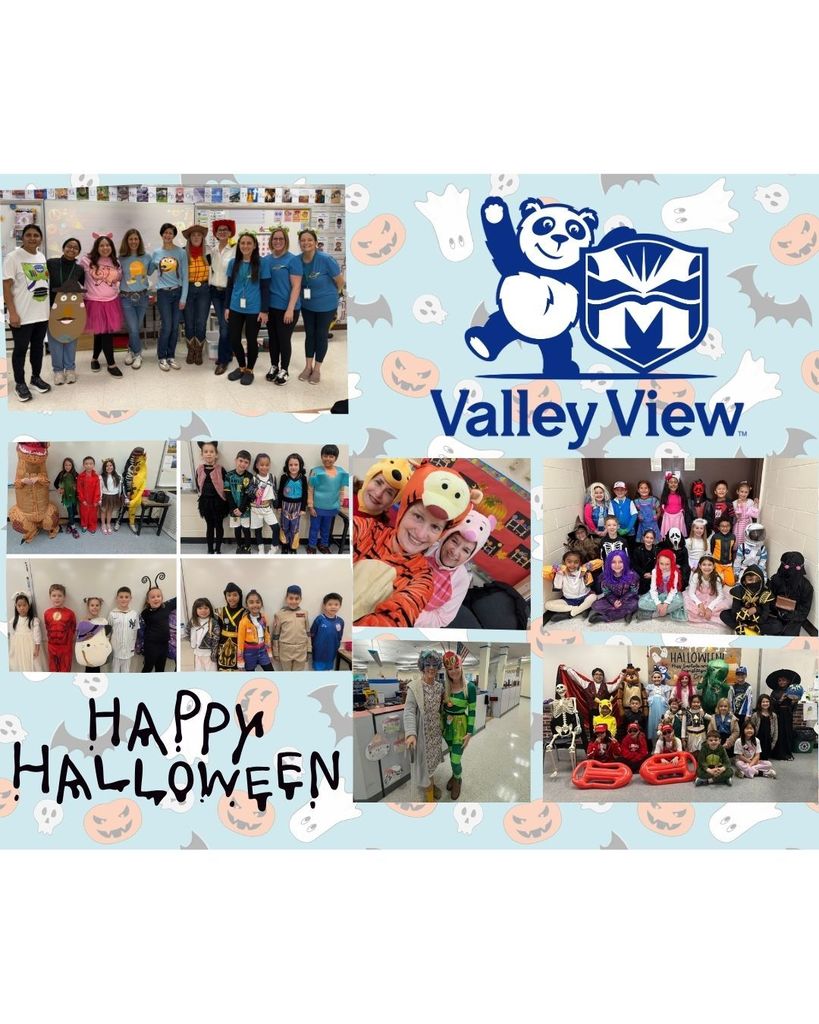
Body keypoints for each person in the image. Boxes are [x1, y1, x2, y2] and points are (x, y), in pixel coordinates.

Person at [352, 464, 471, 628]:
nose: (421, 534)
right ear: (403, 511)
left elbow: (395, 620)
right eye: (418, 516)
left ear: (441, 534)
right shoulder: (367, 530)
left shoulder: (422, 580)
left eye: (435, 527)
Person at [418, 509, 497, 627]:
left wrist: (408, 612)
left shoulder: (462, 579)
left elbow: (442, 619)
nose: (455, 552)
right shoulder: (424, 547)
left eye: (465, 550)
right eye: (454, 541)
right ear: (446, 538)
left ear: (471, 555)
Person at [3, 223, 53, 402]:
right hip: (21, 316)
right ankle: (19, 383)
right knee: (20, 350)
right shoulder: (13, 257)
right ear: (22, 237)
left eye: (36, 235)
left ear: (41, 238)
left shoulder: (41, 256)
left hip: (41, 314)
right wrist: (12, 313)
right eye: (29, 235)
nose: (33, 238)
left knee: (38, 348)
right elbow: (6, 287)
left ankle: (35, 378)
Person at [297, 228, 343, 385]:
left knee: (321, 335)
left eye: (310, 240)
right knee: (310, 335)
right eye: (303, 240)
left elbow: (340, 281)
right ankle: (308, 366)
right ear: (299, 243)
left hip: (326, 305)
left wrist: (331, 295)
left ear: (316, 243)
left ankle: (317, 369)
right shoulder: (297, 260)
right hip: (307, 305)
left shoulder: (326, 259)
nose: (306, 243)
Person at [225, 231, 270, 385]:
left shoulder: (262, 263)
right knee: (234, 338)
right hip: (235, 307)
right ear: (239, 245)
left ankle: (250, 369)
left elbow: (265, 288)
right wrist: (226, 307)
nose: (245, 246)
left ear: (255, 245)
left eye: (249, 243)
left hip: (254, 309)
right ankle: (241, 367)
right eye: (242, 243)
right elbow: (230, 287)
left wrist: (264, 310)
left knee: (251, 340)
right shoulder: (233, 263)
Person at [79, 234, 124, 376]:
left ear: (112, 247)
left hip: (111, 302)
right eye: (102, 245)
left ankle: (94, 359)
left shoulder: (116, 262)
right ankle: (111, 364)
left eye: (108, 245)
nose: (105, 248)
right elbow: (76, 276)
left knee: (101, 333)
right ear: (97, 247)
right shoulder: (86, 261)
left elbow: (118, 279)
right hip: (95, 302)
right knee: (105, 334)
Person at [404, 649, 445, 802]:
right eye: (427, 664)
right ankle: (429, 795)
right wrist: (410, 733)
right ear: (422, 666)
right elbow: (408, 711)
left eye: (435, 664)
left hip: (435, 733)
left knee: (432, 763)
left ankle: (431, 784)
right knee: (425, 764)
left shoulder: (440, 687)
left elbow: (442, 706)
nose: (431, 668)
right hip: (422, 734)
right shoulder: (414, 687)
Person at [264, 227, 302, 384]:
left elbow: (297, 286)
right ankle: (274, 366)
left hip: (288, 309)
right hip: (271, 308)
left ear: (286, 241)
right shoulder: (266, 260)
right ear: (271, 241)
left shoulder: (292, 260)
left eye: (281, 239)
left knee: (284, 339)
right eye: (275, 239)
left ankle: (284, 369)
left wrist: (290, 309)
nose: (277, 241)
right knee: (273, 339)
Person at [46, 237, 85, 384]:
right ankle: (57, 371)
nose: (72, 249)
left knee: (70, 339)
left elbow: (86, 285)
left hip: (72, 309)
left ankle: (70, 369)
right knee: (55, 340)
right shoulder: (51, 263)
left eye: (75, 248)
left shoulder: (79, 269)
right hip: (53, 307)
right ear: (63, 248)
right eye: (69, 246)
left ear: (78, 252)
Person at [118, 228, 156, 370]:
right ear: (126, 241)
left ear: (139, 241)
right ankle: (138, 354)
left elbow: (151, 272)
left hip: (143, 297)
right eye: (130, 239)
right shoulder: (121, 258)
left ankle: (130, 349)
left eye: (136, 239)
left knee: (136, 327)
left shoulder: (147, 257)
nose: (133, 241)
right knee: (133, 328)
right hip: (126, 298)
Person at [152, 222, 188, 371]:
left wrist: (183, 298)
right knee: (167, 326)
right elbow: (149, 271)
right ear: (162, 234)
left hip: (177, 292)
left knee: (174, 327)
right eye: (165, 232)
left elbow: (185, 276)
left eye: (171, 233)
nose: (168, 235)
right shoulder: (156, 253)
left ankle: (171, 356)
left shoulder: (181, 252)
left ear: (174, 235)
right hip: (163, 294)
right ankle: (162, 357)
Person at [440, 651, 477, 800]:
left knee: (455, 759)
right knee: (452, 754)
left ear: (461, 667)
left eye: (456, 667)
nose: (453, 671)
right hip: (447, 727)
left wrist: (469, 732)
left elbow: (473, 711)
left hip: (461, 728)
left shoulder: (470, 687)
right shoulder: (445, 687)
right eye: (449, 669)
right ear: (446, 671)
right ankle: (455, 775)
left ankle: (458, 779)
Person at [306, 444, 349, 554]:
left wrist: (340, 503)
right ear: (321, 456)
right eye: (325, 456)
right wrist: (310, 506)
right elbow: (310, 490)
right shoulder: (316, 472)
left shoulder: (341, 472)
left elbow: (341, 490)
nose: (328, 459)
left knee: (326, 529)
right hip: (317, 507)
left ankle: (324, 545)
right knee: (314, 528)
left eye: (331, 456)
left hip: (331, 507)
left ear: (335, 458)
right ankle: (311, 546)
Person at [209, 219, 236, 375]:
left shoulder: (235, 249)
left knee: (225, 326)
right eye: (219, 230)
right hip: (215, 291)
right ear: (216, 233)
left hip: (229, 292)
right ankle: (227, 353)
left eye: (226, 229)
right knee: (224, 324)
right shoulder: (212, 251)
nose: (222, 232)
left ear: (230, 231)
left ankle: (223, 360)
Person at [181, 224, 210, 366]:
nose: (196, 237)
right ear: (189, 238)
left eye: (199, 235)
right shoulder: (183, 253)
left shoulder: (208, 253)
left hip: (204, 289)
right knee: (189, 322)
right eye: (193, 235)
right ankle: (190, 350)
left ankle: (198, 351)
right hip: (188, 289)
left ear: (203, 237)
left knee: (200, 322)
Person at [766, 551, 814, 636]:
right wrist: (778, 610)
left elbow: (803, 611)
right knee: (771, 628)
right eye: (787, 567)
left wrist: (789, 615)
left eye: (796, 567)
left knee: (788, 637)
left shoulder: (806, 586)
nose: (791, 571)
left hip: (793, 618)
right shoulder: (776, 579)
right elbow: (768, 598)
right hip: (775, 613)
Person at [720, 564, 775, 635]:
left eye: (757, 579)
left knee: (777, 625)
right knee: (723, 614)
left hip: (757, 622)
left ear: (761, 580)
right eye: (750, 580)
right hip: (744, 619)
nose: (754, 582)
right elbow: (734, 614)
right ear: (744, 581)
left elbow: (764, 617)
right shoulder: (739, 591)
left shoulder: (765, 593)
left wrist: (755, 609)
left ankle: (750, 629)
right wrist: (751, 611)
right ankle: (743, 629)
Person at [544, 550, 597, 622]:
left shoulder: (582, 570)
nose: (572, 564)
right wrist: (562, 568)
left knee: (594, 597)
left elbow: (599, 562)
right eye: (569, 562)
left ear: (580, 563)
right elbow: (542, 570)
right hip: (569, 600)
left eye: (576, 562)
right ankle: (581, 609)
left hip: (585, 596)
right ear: (564, 562)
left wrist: (584, 569)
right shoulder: (560, 572)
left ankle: (571, 614)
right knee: (548, 605)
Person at [588, 550, 639, 624]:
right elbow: (607, 593)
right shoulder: (604, 577)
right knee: (595, 605)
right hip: (611, 599)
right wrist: (614, 601)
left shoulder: (633, 576)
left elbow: (634, 591)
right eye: (613, 562)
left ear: (625, 563)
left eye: (620, 562)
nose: (617, 565)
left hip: (627, 599)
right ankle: (626, 613)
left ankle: (606, 617)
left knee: (635, 604)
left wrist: (621, 601)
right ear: (609, 564)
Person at [196, 441, 229, 555]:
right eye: (206, 452)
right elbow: (198, 484)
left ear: (216, 454)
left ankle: (218, 549)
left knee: (219, 525)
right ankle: (210, 549)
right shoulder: (199, 469)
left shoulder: (221, 469)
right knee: (209, 526)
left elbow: (226, 486)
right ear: (202, 454)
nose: (209, 454)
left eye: (211, 452)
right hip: (205, 502)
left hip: (218, 502)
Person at [637, 549, 686, 621]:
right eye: (661, 563)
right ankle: (666, 611)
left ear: (672, 563)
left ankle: (657, 612)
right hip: (658, 594)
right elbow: (653, 590)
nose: (664, 567)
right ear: (658, 563)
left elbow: (673, 590)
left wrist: (666, 604)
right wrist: (658, 604)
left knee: (680, 601)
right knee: (641, 602)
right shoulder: (655, 571)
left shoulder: (674, 572)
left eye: (667, 564)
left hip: (670, 594)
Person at [683, 555, 731, 626]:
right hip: (699, 596)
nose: (707, 567)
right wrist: (699, 603)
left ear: (714, 566)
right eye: (704, 565)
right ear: (699, 566)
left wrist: (710, 607)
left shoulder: (716, 578)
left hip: (711, 596)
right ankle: (700, 613)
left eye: (709, 565)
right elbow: (691, 593)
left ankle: (707, 613)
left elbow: (720, 595)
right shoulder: (696, 576)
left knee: (721, 609)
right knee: (687, 605)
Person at [272, 584, 311, 671]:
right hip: (285, 651)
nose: (294, 601)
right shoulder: (279, 615)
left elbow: (308, 632)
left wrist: (309, 650)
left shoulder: (304, 613)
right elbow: (276, 635)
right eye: (291, 598)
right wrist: (276, 652)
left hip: (301, 650)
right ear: (286, 598)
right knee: (287, 675)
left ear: (301, 599)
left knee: (297, 676)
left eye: (297, 598)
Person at [139, 586, 176, 672]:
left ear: (162, 598)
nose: (156, 599)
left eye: (158, 596)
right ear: (148, 600)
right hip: (151, 645)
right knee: (148, 667)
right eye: (153, 597)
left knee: (160, 669)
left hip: (164, 644)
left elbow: (177, 599)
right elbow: (141, 629)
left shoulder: (166, 607)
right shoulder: (145, 613)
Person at [768, 669, 802, 761]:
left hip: (787, 716)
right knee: (777, 734)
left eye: (784, 680)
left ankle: (786, 753)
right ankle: (776, 753)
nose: (781, 682)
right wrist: (780, 700)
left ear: (788, 681)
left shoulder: (792, 691)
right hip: (777, 715)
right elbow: (771, 704)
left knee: (787, 734)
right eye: (779, 680)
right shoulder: (774, 692)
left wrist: (794, 702)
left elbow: (793, 706)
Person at [277, 452, 308, 553]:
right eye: (291, 465)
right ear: (287, 466)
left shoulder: (303, 478)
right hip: (285, 505)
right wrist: (279, 506)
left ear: (300, 465)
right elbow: (280, 492)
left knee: (294, 527)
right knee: (284, 525)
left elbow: (305, 494)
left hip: (298, 506)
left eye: (296, 465)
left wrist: (303, 508)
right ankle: (284, 544)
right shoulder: (284, 477)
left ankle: (293, 546)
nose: (293, 467)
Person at [237, 590, 274, 671]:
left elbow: (267, 636)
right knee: (250, 677)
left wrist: (269, 652)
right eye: (251, 602)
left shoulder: (264, 618)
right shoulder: (243, 622)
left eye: (257, 602)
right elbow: (240, 642)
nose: (255, 605)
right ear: (247, 605)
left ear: (261, 604)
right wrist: (240, 660)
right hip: (249, 653)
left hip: (263, 651)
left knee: (271, 673)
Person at [226, 449, 254, 554]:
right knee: (237, 528)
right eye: (241, 460)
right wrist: (234, 508)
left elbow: (249, 495)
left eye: (246, 462)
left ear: (249, 464)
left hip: (245, 509)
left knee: (246, 528)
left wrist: (242, 509)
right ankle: (239, 545)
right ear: (236, 460)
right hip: (233, 509)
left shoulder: (250, 477)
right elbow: (227, 493)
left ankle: (248, 546)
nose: (243, 464)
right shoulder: (229, 475)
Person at [43, 583, 76, 672]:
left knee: (65, 671)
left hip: (65, 648)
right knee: (53, 670)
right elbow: (47, 627)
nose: (57, 598)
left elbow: (73, 628)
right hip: (52, 647)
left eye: (59, 595)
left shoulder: (70, 613)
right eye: (54, 595)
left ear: (64, 597)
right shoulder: (47, 613)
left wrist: (67, 642)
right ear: (50, 597)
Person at [250, 453, 278, 553]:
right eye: (261, 465)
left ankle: (274, 548)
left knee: (276, 528)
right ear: (257, 465)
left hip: (267, 507)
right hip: (255, 508)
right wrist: (254, 492)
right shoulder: (253, 478)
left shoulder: (273, 477)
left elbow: (275, 492)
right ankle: (260, 548)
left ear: (269, 465)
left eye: (267, 465)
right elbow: (249, 491)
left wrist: (277, 505)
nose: (264, 467)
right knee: (257, 530)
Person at [310, 593, 345, 671]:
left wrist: (337, 646)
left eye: (336, 604)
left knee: (328, 671)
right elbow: (312, 634)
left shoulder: (340, 621)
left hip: (331, 652)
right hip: (319, 652)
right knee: (318, 672)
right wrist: (313, 646)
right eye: (330, 604)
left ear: (340, 606)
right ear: (324, 606)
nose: (333, 607)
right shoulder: (319, 619)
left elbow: (339, 636)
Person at [184, 597, 220, 672]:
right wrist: (192, 643)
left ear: (210, 609)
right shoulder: (193, 621)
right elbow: (187, 632)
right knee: (199, 672)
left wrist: (214, 653)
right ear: (195, 610)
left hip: (209, 655)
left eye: (206, 608)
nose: (203, 610)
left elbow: (216, 639)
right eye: (200, 608)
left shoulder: (213, 622)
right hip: (197, 654)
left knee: (212, 673)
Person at [9, 592, 43, 671]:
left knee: (34, 663)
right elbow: (12, 636)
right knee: (21, 664)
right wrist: (12, 649)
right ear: (15, 606)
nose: (22, 608)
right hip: (19, 647)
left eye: (24, 605)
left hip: (30, 646)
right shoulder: (13, 620)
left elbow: (37, 635)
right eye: (19, 606)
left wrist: (37, 649)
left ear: (29, 606)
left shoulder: (33, 620)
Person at [108, 586, 138, 672]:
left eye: (126, 597)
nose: (124, 599)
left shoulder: (134, 614)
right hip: (115, 650)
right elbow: (109, 632)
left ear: (130, 598)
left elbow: (135, 632)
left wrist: (133, 647)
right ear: (117, 598)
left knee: (126, 672)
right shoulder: (112, 614)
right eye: (121, 597)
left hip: (128, 650)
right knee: (115, 672)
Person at [216, 583, 246, 671]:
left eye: (235, 595)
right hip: (223, 645)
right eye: (229, 595)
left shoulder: (245, 612)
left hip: (239, 645)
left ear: (240, 596)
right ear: (225, 596)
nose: (231, 598)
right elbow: (217, 631)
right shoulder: (220, 611)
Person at [54, 457, 79, 538]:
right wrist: (59, 489)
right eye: (66, 465)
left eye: (69, 465)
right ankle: (73, 528)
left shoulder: (75, 474)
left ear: (72, 465)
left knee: (74, 512)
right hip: (66, 498)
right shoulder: (61, 474)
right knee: (70, 512)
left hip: (74, 497)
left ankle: (69, 524)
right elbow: (55, 483)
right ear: (63, 466)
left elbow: (80, 484)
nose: (68, 466)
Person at [645, 668, 673, 740]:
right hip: (653, 709)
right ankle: (654, 745)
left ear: (661, 678)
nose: (657, 679)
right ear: (652, 678)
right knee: (653, 724)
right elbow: (646, 698)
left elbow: (668, 699)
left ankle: (664, 742)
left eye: (658, 677)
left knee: (663, 723)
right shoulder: (649, 687)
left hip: (663, 708)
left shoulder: (666, 688)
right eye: (655, 677)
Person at [76, 456, 101, 534]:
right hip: (84, 499)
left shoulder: (96, 477)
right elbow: (79, 489)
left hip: (93, 499)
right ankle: (84, 525)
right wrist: (82, 499)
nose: (88, 465)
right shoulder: (80, 476)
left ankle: (92, 526)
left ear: (93, 465)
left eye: (90, 464)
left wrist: (96, 500)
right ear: (83, 465)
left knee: (93, 514)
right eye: (86, 464)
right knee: (84, 513)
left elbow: (97, 489)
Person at [750, 694, 779, 761]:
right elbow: (751, 728)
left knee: (765, 759)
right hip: (758, 739)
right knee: (756, 758)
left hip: (768, 740)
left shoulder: (773, 715)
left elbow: (776, 730)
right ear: (759, 703)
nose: (765, 703)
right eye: (763, 702)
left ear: (770, 703)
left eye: (767, 701)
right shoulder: (755, 715)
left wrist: (774, 742)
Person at [710, 516, 737, 586]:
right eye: (722, 526)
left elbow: (731, 551)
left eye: (727, 526)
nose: (725, 528)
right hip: (717, 564)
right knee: (719, 583)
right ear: (718, 527)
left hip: (728, 564)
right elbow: (712, 549)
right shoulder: (715, 537)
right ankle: (720, 576)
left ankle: (723, 575)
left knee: (731, 583)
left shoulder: (733, 537)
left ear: (730, 527)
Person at [608, 480, 637, 545]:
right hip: (617, 531)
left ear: (625, 491)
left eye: (622, 490)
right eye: (617, 490)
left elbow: (634, 515)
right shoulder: (612, 503)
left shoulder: (630, 502)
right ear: (614, 491)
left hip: (630, 531)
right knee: (620, 548)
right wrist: (618, 529)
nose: (620, 492)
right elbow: (611, 517)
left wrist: (628, 529)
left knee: (630, 548)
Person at [98, 458, 122, 536]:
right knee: (103, 511)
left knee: (110, 511)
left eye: (110, 465)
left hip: (114, 496)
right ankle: (103, 524)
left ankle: (108, 524)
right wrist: (100, 498)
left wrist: (119, 496)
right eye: (107, 466)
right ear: (104, 468)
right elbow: (100, 488)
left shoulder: (118, 476)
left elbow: (119, 488)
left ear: (113, 466)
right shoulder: (101, 477)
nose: (109, 467)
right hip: (105, 496)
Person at [659, 473, 687, 538]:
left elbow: (684, 507)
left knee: (678, 535)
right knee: (668, 536)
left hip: (678, 519)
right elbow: (662, 508)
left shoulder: (681, 496)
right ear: (667, 484)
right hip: (667, 519)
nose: (673, 484)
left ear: (678, 484)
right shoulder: (665, 496)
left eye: (675, 482)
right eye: (671, 482)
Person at [732, 481, 759, 547]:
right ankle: (738, 553)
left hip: (748, 523)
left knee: (747, 538)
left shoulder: (750, 501)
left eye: (746, 492)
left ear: (748, 493)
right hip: (738, 524)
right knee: (738, 539)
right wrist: (739, 505)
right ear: (737, 492)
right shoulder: (734, 503)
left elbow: (754, 513)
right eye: (742, 491)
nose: (743, 494)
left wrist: (755, 504)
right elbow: (735, 515)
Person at [632, 529, 657, 595]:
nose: (649, 540)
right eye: (647, 537)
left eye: (651, 538)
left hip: (654, 575)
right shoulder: (637, 550)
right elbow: (635, 565)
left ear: (654, 540)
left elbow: (659, 565)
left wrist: (652, 574)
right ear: (643, 538)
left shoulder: (657, 550)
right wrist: (643, 573)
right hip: (642, 575)